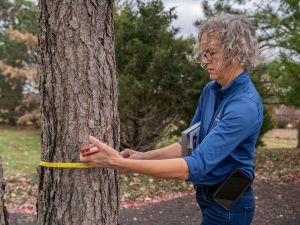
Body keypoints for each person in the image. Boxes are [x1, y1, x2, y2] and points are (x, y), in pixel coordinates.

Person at [80, 13, 263, 225]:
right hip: (208, 196)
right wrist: (143, 157)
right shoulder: (211, 90)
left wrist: (118, 163)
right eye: (203, 53)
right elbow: (190, 144)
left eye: (211, 53)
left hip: (231, 204)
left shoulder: (244, 106)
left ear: (236, 52)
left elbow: (195, 165)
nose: (205, 61)